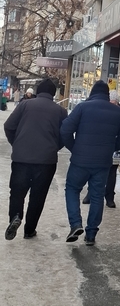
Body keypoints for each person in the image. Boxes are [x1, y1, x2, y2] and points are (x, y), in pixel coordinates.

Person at [61, 80, 120, 245]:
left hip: (80, 161)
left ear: (92, 93)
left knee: (72, 189)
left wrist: (74, 148)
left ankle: (75, 224)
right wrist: (113, 147)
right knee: (97, 195)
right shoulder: (119, 112)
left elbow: (65, 130)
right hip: (102, 163)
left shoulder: (82, 108)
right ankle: (91, 234)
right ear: (107, 95)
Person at [3, 78, 67, 240]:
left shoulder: (25, 105)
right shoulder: (60, 111)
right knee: (38, 196)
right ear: (53, 94)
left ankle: (15, 216)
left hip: (21, 158)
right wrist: (54, 147)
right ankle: (29, 230)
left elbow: (9, 126)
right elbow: (64, 135)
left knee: (17, 191)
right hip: (46, 161)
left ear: (38, 91)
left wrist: (16, 143)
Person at [82, 90, 120, 209]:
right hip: (99, 147)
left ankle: (109, 197)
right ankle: (90, 193)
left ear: (117, 103)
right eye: (110, 102)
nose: (112, 104)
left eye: (114, 102)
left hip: (113, 147)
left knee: (111, 173)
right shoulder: (101, 111)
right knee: (94, 171)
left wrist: (117, 145)